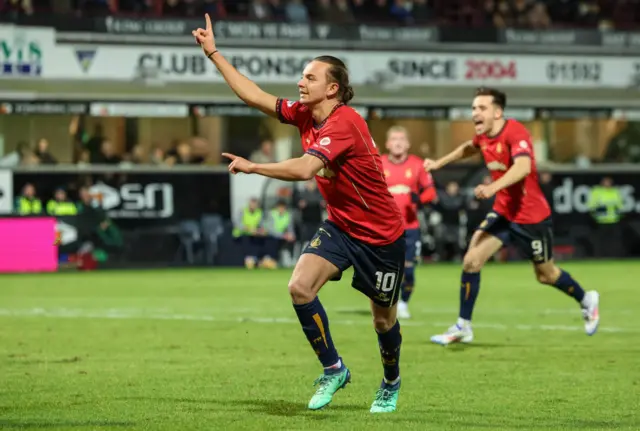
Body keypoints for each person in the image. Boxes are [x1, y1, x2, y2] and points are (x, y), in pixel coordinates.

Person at [193, 14, 405, 413]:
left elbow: (307, 169)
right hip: (342, 226)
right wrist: (214, 54)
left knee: (382, 321)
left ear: (332, 88)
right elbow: (254, 96)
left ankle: (391, 381)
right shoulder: (307, 115)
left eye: (309, 77)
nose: (300, 83)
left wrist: (255, 168)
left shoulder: (346, 122)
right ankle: (334, 368)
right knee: (299, 287)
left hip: (381, 237)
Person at [424, 87, 600, 346]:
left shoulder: (515, 132)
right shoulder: (483, 136)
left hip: (531, 217)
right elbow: (468, 148)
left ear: (497, 112)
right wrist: (438, 163)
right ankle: (463, 325)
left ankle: (587, 300)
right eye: (473, 108)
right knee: (472, 260)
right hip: (504, 212)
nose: (475, 113)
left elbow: (523, 166)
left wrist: (492, 188)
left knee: (546, 275)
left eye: (481, 108)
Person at [381, 126, 436, 319]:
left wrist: (419, 198)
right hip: (383, 228)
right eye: (394, 139)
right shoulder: (378, 164)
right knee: (385, 269)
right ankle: (386, 302)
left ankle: (403, 302)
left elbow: (430, 191)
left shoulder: (417, 165)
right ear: (387, 144)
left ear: (407, 144)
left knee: (409, 269)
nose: (397, 142)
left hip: (410, 228)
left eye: (401, 139)